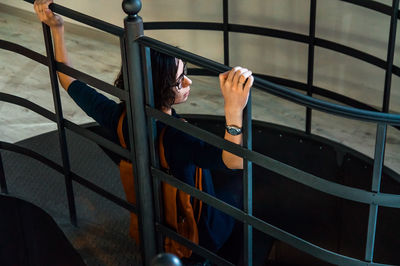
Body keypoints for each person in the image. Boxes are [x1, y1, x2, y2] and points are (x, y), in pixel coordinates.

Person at [34, 0, 254, 263]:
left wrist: (57, 29)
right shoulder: (178, 137)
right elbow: (234, 161)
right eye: (180, 79)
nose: (189, 81)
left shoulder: (119, 117)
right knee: (240, 191)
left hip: (153, 218)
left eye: (187, 71)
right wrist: (234, 107)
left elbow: (68, 80)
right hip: (197, 233)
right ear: (161, 89)